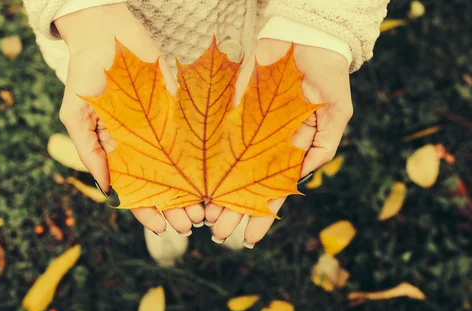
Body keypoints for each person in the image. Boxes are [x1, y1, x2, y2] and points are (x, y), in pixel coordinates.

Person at [22, 0, 389, 256]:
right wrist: (88, 16)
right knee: (129, 149)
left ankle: (213, 201)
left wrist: (316, 26)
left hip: (268, 31)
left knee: (182, 148)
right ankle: (174, 206)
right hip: (111, 41)